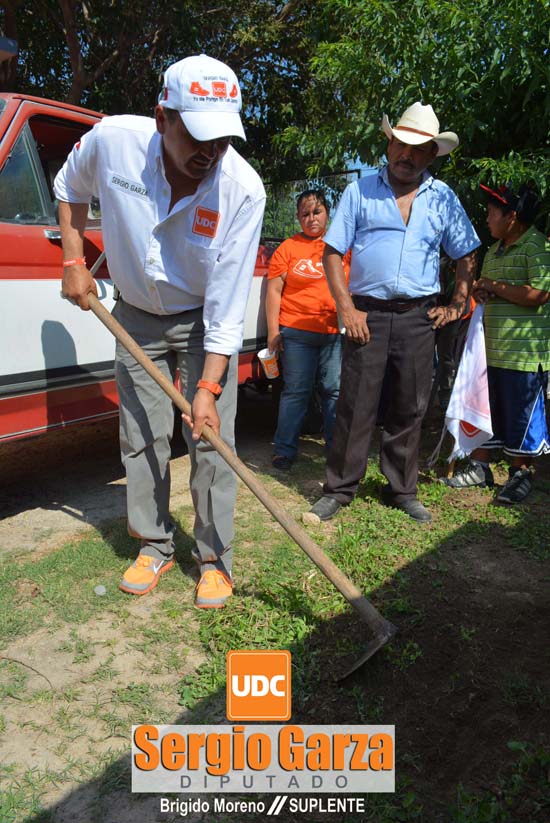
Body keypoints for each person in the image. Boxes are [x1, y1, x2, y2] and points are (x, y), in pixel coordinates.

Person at [54, 54, 266, 607]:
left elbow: (226, 308)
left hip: (201, 322)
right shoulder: (112, 141)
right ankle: (154, 545)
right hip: (134, 316)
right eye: (198, 135)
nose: (211, 152)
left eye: (222, 138)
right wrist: (74, 261)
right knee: (142, 434)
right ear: (162, 117)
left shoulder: (243, 190)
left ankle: (215, 558)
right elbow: (69, 185)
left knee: (212, 440)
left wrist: (208, 388)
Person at [308, 102, 480, 524]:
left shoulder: (443, 198)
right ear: (389, 144)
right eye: (401, 145)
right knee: (355, 404)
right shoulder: (360, 191)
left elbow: (467, 252)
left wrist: (457, 303)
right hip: (365, 314)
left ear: (431, 155)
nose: (408, 155)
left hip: (418, 319)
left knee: (410, 404)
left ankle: (401, 489)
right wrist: (346, 308)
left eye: (419, 149)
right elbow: (332, 253)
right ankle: (340, 488)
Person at [443, 183, 550, 503]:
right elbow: (489, 290)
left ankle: (520, 473)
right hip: (490, 351)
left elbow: (539, 295)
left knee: (522, 417)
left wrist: (493, 285)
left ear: (512, 216)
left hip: (523, 356)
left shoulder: (537, 247)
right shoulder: (494, 250)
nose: (488, 219)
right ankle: (481, 466)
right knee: (487, 409)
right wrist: (482, 291)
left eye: (492, 213)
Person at [266, 189, 349, 470]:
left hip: (333, 333)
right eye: (305, 214)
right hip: (296, 332)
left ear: (327, 213)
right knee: (295, 392)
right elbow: (274, 292)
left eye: (317, 212)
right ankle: (284, 451)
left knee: (334, 392)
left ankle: (336, 451)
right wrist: (272, 331)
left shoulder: (341, 247)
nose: (311, 218)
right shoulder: (287, 249)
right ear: (298, 218)